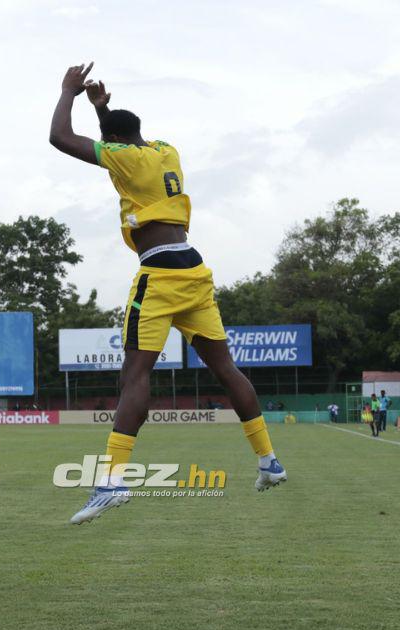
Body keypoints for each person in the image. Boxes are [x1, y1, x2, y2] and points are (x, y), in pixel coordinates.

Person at [50, 63, 286, 524]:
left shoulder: (124, 159)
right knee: (226, 368)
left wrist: (69, 93)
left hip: (157, 273)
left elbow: (60, 137)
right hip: (195, 267)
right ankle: (268, 461)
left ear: (114, 143)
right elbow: (122, 141)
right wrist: (105, 110)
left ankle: (113, 481)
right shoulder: (165, 150)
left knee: (134, 377)